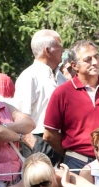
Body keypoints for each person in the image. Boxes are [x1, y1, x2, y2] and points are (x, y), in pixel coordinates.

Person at [44, 40, 99, 170]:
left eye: (97, 57)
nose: (94, 62)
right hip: (78, 162)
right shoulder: (62, 93)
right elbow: (49, 135)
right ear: (74, 66)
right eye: (88, 59)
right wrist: (70, 153)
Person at [12, 29, 66, 165]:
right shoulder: (29, 76)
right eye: (60, 46)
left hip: (62, 141)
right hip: (38, 141)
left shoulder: (62, 78)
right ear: (47, 51)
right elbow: (19, 117)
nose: (63, 50)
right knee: (39, 185)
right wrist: (34, 144)